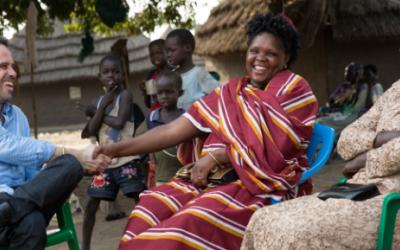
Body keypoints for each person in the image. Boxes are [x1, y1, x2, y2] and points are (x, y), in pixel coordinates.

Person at [93, 13, 318, 249]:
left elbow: (277, 152)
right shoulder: (231, 93)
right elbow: (172, 130)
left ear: (286, 58)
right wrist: (114, 149)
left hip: (258, 186)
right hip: (212, 179)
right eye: (254, 50)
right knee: (149, 208)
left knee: (183, 227)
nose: (260, 58)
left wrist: (216, 156)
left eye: (270, 53)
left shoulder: (294, 89)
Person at [241, 78, 400, 250]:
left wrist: (361, 160)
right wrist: (381, 138)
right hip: (359, 188)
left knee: (294, 232)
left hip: (391, 197)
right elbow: (346, 141)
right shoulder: (396, 91)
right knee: (263, 218)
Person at [0, 43, 109, 249]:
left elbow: (31, 173)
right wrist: (71, 152)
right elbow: (7, 145)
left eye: (13, 67)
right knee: (32, 223)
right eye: (3, 66)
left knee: (69, 165)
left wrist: (73, 168)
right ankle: (14, 210)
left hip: (18, 203)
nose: (13, 73)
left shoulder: (18, 117)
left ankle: (11, 211)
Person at [81, 54, 146, 250]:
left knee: (140, 200)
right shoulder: (99, 100)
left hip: (127, 158)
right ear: (99, 76)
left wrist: (96, 112)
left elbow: (119, 122)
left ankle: (147, 240)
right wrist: (101, 107)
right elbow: (91, 131)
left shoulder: (125, 95)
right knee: (91, 204)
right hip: (105, 162)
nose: (112, 76)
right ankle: (85, 247)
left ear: (122, 75)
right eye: (107, 72)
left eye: (116, 71)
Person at [318, 62, 381, 136]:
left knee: (322, 121)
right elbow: (338, 101)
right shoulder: (357, 87)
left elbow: (377, 105)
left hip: (358, 115)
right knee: (323, 120)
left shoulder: (374, 87)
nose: (363, 76)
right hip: (351, 113)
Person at [165, 28, 220, 111]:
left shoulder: (199, 74)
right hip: (175, 121)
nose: (168, 55)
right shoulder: (170, 76)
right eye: (167, 51)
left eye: (172, 50)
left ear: (187, 48)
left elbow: (218, 93)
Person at [146, 70, 184, 186]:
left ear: (180, 93)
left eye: (169, 92)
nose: (164, 96)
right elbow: (148, 139)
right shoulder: (152, 117)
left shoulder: (186, 118)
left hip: (183, 174)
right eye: (160, 93)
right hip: (161, 174)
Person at [141, 39, 170, 110]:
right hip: (156, 114)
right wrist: (145, 92)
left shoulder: (173, 73)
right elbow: (148, 104)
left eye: (158, 53)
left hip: (171, 114)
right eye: (152, 55)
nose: (155, 57)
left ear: (167, 53)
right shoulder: (151, 75)